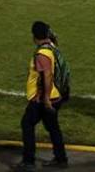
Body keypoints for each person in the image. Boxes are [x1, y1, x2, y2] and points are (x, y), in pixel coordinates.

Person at [14, 20, 67, 171]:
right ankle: (61, 158)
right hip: (56, 95)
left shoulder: (42, 54)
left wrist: (45, 98)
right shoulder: (52, 47)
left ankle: (28, 161)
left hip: (43, 98)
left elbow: (47, 76)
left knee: (27, 124)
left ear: (34, 36)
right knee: (53, 127)